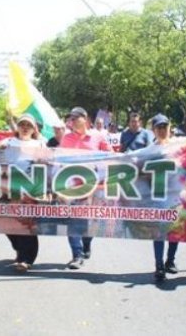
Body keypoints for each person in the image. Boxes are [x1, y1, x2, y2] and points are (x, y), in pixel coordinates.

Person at [150, 106, 186, 282]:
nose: (162, 130)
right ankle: (159, 265)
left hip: (176, 194)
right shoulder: (149, 150)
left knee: (175, 230)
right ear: (153, 129)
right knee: (159, 232)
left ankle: (170, 260)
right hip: (158, 195)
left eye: (165, 126)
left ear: (169, 127)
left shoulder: (179, 143)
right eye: (159, 127)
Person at [59, 106, 111, 269]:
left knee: (92, 221)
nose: (72, 121)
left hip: (94, 187)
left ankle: (87, 242)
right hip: (73, 187)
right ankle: (77, 254)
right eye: (70, 119)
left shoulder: (98, 137)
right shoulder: (66, 139)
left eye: (75, 118)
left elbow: (110, 156)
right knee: (74, 220)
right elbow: (59, 161)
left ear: (85, 119)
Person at [0, 114, 46, 272]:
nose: (25, 127)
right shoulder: (8, 143)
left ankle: (27, 259)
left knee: (27, 224)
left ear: (34, 129)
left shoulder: (39, 144)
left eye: (29, 125)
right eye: (22, 124)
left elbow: (47, 163)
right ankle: (19, 249)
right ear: (17, 127)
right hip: (8, 189)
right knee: (7, 223)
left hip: (29, 191)